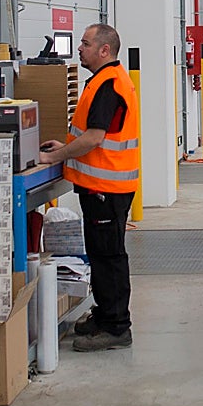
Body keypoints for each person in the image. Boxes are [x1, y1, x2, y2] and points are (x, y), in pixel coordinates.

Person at [38, 23, 140, 352]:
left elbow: (95, 138)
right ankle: (106, 314)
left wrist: (57, 154)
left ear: (104, 50)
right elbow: (92, 135)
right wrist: (65, 145)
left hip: (107, 187)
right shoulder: (100, 81)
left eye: (85, 43)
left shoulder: (109, 84)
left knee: (109, 256)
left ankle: (116, 327)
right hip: (101, 186)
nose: (79, 48)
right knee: (100, 254)